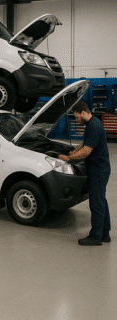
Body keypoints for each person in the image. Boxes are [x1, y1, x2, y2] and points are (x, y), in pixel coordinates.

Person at [59, 101, 111, 246]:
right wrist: (74, 150)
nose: (76, 120)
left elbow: (87, 151)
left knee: (96, 203)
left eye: (77, 117)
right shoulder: (92, 123)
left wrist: (68, 158)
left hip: (98, 170)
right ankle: (105, 233)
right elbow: (85, 144)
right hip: (99, 168)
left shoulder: (93, 126)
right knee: (101, 201)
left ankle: (95, 237)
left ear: (83, 112)